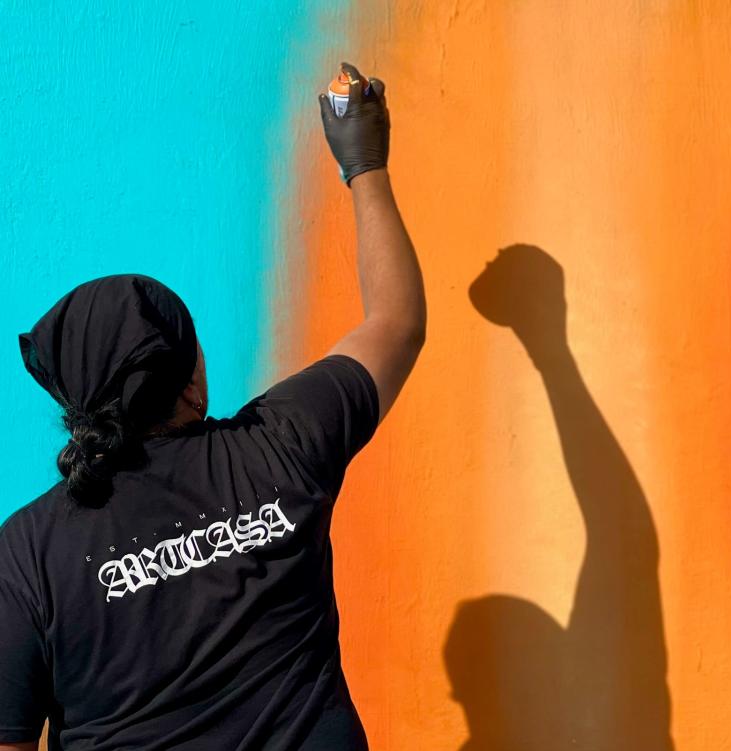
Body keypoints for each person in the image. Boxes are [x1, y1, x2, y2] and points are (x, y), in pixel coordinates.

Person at [0, 61, 425, 751]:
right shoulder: (281, 441)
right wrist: (364, 161)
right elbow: (397, 323)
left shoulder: (26, 556)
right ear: (191, 380)